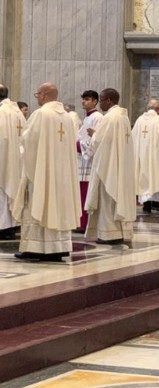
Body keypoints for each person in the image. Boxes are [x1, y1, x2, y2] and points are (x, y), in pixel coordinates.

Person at [12, 82, 80, 262]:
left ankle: (35, 248)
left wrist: (22, 156)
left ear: (43, 95)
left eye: (37, 95)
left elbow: (28, 141)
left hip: (42, 172)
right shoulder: (67, 117)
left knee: (38, 204)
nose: (37, 98)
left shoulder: (41, 114)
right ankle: (59, 247)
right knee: (59, 206)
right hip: (62, 175)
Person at [84, 88, 135, 245]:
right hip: (121, 165)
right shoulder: (123, 118)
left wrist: (93, 136)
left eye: (102, 100)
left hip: (108, 166)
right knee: (117, 199)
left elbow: (98, 142)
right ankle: (119, 233)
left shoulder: (109, 118)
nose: (100, 104)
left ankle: (109, 234)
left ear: (109, 100)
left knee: (107, 199)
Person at [133, 99, 159, 214]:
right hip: (155, 156)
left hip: (142, 155)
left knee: (144, 177)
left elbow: (133, 136)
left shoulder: (139, 120)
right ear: (158, 109)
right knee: (156, 176)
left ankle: (146, 205)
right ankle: (156, 203)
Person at [0, 84, 26, 240]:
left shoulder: (2, 112)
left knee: (3, 191)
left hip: (4, 158)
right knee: (12, 191)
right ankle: (11, 226)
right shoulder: (17, 111)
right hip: (17, 159)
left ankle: (3, 227)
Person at [75, 90, 103, 233]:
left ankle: (85, 223)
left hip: (90, 161)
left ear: (95, 101)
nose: (83, 102)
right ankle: (81, 222)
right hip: (82, 161)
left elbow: (96, 140)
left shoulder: (97, 117)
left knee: (86, 192)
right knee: (81, 192)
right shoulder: (86, 118)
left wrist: (78, 145)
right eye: (83, 99)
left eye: (87, 99)